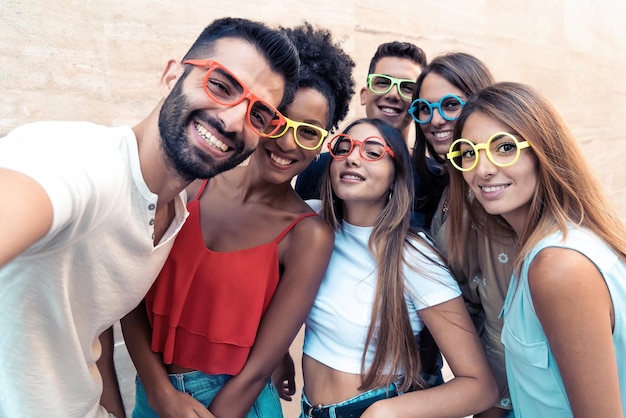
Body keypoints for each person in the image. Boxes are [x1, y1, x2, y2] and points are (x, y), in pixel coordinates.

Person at [0, 17, 300, 418]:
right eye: (221, 85)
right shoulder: (79, 161)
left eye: (259, 115)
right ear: (171, 76)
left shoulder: (174, 213)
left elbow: (91, 332)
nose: (232, 121)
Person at [120, 22, 355, 418]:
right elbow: (129, 297)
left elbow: (258, 367)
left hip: (235, 404)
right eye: (277, 121)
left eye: (309, 133)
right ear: (257, 115)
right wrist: (160, 392)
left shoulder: (308, 235)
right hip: (152, 391)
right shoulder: (193, 182)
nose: (287, 144)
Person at [446, 81, 626, 418]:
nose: (481, 169)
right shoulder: (542, 250)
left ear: (543, 150)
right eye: (469, 152)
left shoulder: (558, 265)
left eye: (503, 147)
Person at [300, 117, 497, 417]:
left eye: (373, 152)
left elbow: (480, 387)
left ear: (396, 176)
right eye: (344, 148)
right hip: (309, 409)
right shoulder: (309, 223)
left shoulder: (413, 256)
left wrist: (385, 413)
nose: (352, 158)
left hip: (375, 409)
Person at [409, 52, 515, 418]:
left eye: (450, 105)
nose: (434, 119)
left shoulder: (489, 194)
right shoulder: (455, 184)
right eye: (423, 108)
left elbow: (502, 330)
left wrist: (490, 410)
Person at [295, 41, 426, 201]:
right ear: (364, 94)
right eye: (383, 82)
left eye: (407, 87)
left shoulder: (433, 179)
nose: (393, 94)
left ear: (419, 104)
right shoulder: (317, 169)